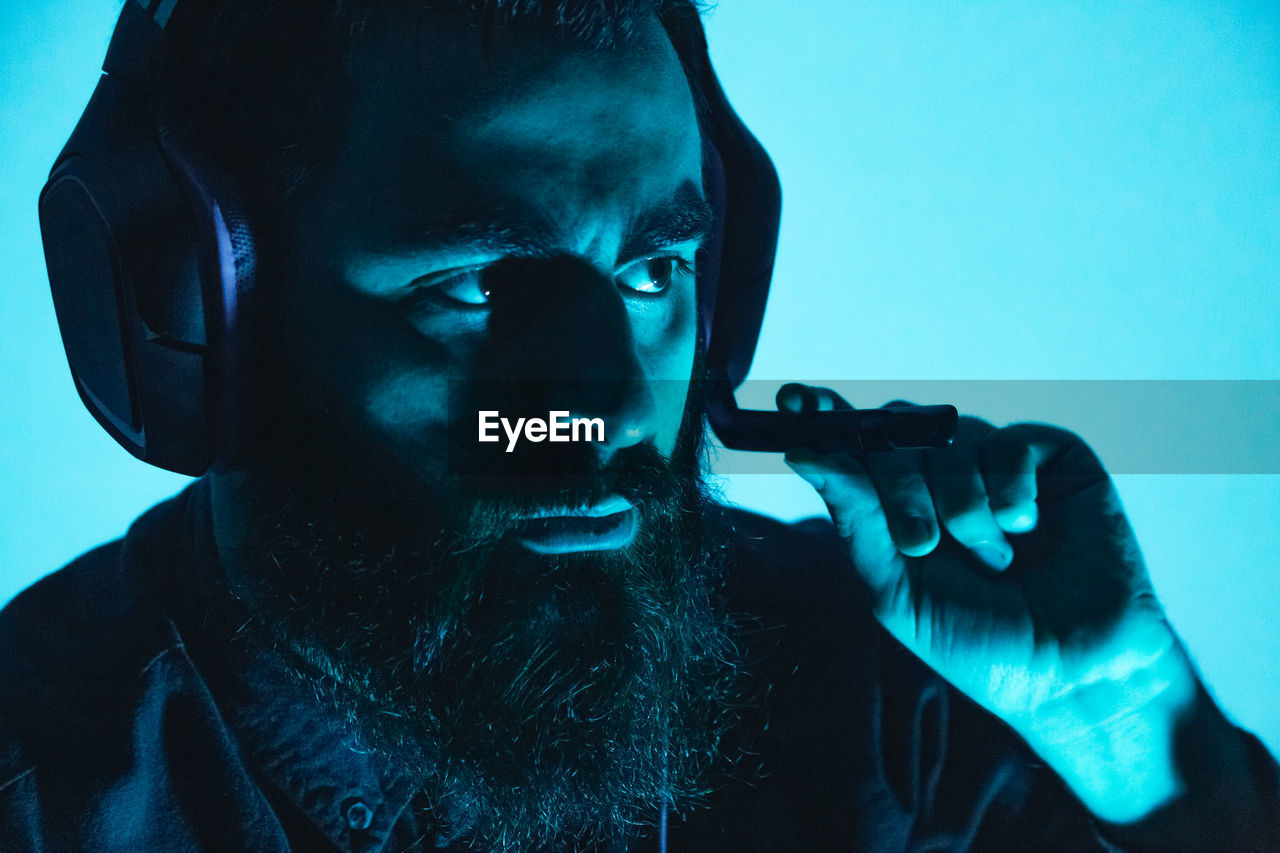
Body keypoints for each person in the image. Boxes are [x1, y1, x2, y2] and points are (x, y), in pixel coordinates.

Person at [2, 1, 1276, 850]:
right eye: (480, 286)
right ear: (197, 322)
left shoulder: (896, 712)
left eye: (653, 274)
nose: (597, 410)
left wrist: (1129, 726)